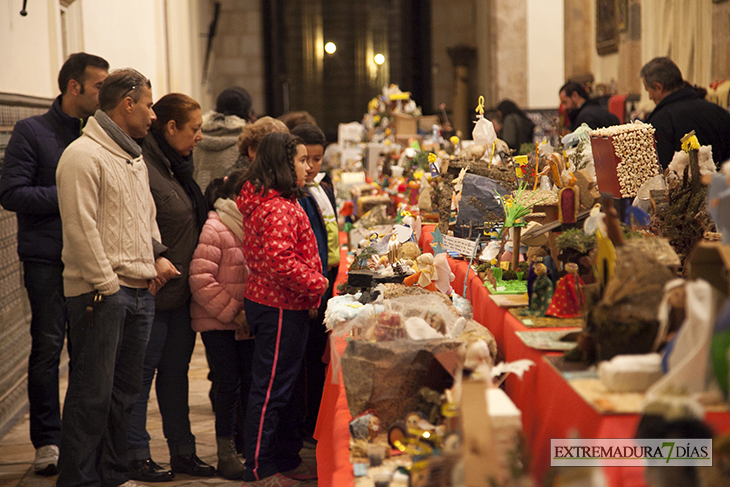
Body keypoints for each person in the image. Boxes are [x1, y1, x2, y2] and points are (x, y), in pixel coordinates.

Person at [55, 67, 178, 487]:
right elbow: (80, 228)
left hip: (138, 291)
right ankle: (78, 480)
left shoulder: (132, 156)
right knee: (92, 395)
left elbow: (146, 216)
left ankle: (112, 475)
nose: (153, 115)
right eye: (147, 104)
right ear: (127, 103)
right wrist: (107, 285)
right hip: (100, 294)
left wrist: (155, 257)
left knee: (123, 397)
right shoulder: (82, 156)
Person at [0, 52, 109, 476]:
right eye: (98, 85)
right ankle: (47, 441)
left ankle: (83, 440)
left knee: (88, 351)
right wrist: (71, 195)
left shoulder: (100, 134)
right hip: (47, 258)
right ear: (74, 86)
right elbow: (12, 193)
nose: (104, 93)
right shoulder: (33, 131)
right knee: (47, 347)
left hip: (90, 257)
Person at [127, 93, 215, 482]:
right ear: (171, 128)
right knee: (141, 379)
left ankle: (183, 452)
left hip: (180, 294)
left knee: (176, 375)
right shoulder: (142, 165)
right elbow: (133, 222)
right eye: (194, 129)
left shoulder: (177, 166)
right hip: (153, 291)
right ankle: (136, 455)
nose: (200, 137)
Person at [237, 132, 328, 486]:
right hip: (277, 306)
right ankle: (258, 471)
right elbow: (280, 262)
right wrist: (318, 285)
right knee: (270, 390)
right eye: (301, 160)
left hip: (280, 303)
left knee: (281, 390)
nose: (307, 168)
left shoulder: (278, 200)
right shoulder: (275, 207)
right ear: (283, 163)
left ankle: (280, 460)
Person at [189, 170, 252, 479]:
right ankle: (225, 454)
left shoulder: (248, 226)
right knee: (227, 385)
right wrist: (232, 312)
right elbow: (200, 280)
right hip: (218, 322)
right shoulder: (216, 227)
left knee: (245, 382)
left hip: (242, 322)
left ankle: (245, 447)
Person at [290, 123, 339, 443]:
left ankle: (312, 421)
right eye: (305, 159)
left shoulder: (320, 187)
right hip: (308, 286)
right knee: (306, 361)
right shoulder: (296, 195)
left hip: (324, 276)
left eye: (318, 159)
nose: (312, 167)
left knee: (315, 352)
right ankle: (307, 424)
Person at [640, 57, 730, 169]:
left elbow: (658, 175)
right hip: (723, 185)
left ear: (658, 87)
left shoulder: (660, 122)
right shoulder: (719, 113)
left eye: (648, 90)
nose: (649, 97)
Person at [193, 86, 256, 191]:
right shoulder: (246, 143)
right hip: (231, 205)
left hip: (197, 203)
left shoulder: (195, 139)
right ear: (248, 112)